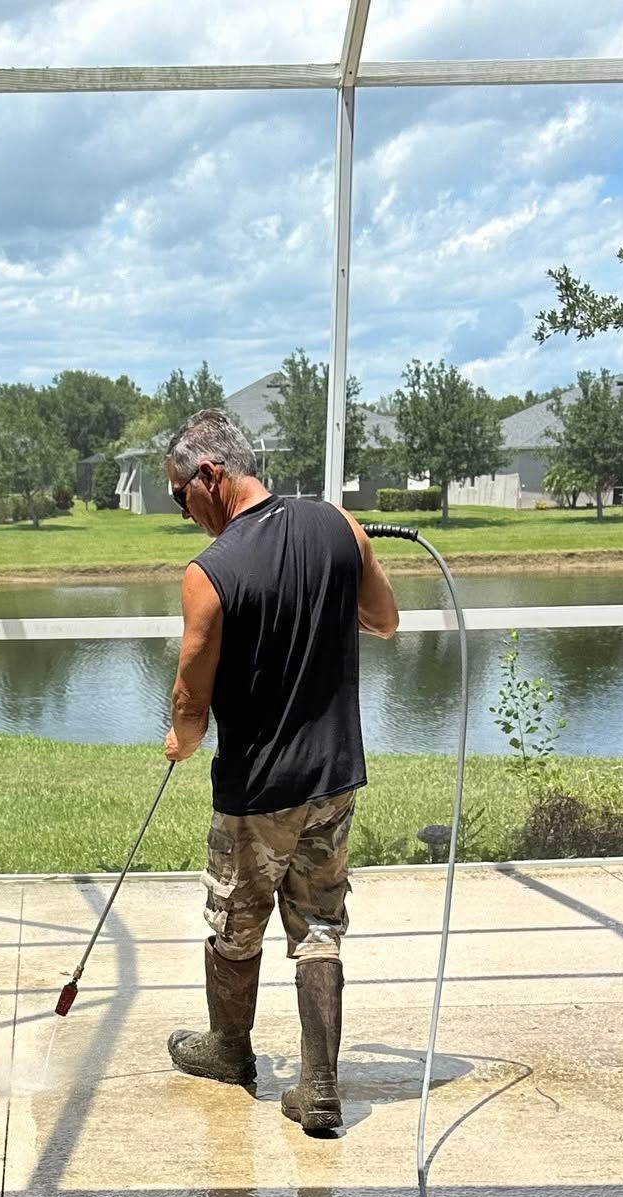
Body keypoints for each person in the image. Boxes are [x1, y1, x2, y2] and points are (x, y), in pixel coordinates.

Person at [161, 409, 399, 1137]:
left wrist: (178, 736)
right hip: (334, 779)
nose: (185, 512)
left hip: (257, 791)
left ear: (209, 475)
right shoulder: (339, 526)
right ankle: (320, 1087)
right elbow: (384, 619)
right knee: (320, 924)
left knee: (234, 923)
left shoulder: (210, 573)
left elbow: (192, 700)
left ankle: (230, 1050)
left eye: (180, 496)